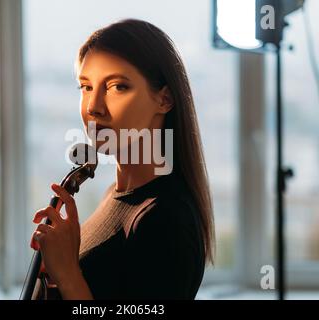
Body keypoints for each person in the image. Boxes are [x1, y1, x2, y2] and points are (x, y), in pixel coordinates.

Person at [30, 18, 215, 300]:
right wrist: (56, 272)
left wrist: (68, 273)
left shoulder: (166, 220)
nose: (94, 107)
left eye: (117, 87)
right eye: (86, 87)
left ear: (164, 99)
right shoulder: (114, 196)